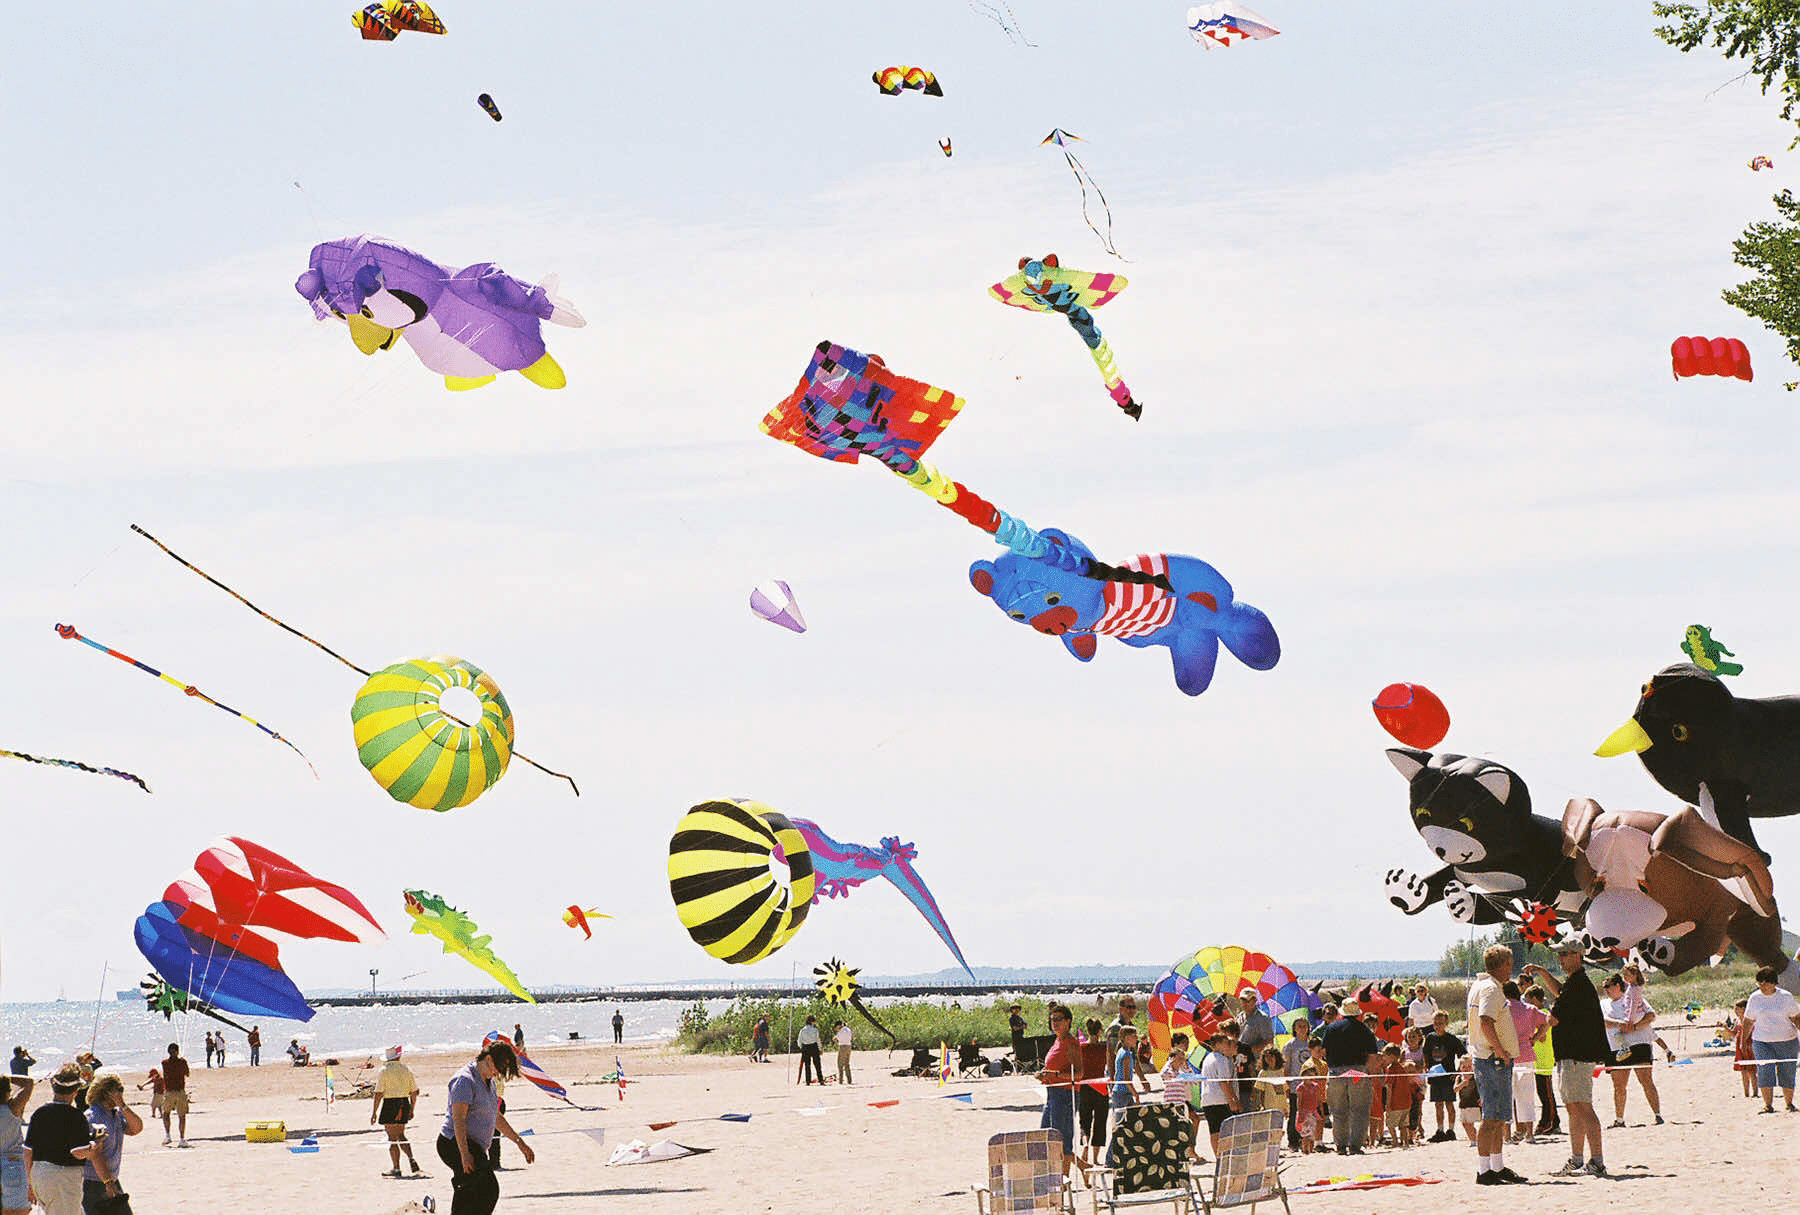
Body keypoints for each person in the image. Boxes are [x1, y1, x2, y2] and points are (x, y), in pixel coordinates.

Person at [1523, 944, 1609, 1178]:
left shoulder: (1580, 983)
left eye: (1564, 954)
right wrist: (1542, 972)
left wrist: (1536, 1036)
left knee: (1582, 1106)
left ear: (1577, 955)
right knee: (1573, 1108)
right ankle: (1578, 1159)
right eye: (1559, 955)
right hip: (1571, 1056)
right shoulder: (1574, 983)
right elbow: (1560, 993)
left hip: (1577, 1056)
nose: (1560, 959)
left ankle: (1597, 1161)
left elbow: (1554, 1018)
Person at [437, 1041, 533, 1215]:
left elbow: (495, 1116)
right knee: (487, 1188)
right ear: (488, 1059)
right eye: (498, 1067)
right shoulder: (465, 1080)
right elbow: (459, 1119)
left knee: (474, 1191)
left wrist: (519, 1142)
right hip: (453, 1143)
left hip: (474, 1145)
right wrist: (464, 1154)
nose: (497, 1072)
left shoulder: (489, 1082)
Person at [1466, 943, 1524, 1184]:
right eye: (1509, 964)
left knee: (1498, 1117)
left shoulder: (1480, 985)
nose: (1511, 968)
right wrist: (1500, 1049)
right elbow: (1486, 1021)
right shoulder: (1490, 989)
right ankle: (1484, 1170)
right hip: (1492, 1058)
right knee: (1491, 1117)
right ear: (1502, 965)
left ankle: (1497, 1167)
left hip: (1489, 1057)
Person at [24, 1065, 93, 1215]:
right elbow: (77, 1152)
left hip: (39, 1173)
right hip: (63, 1177)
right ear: (75, 1091)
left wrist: (29, 1183)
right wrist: (94, 1145)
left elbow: (28, 1151)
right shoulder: (76, 1116)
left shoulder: (39, 1113)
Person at [1601, 971, 1662, 1127]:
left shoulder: (1632, 997)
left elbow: (1651, 1016)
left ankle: (1658, 1115)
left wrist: (1634, 1027)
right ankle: (1619, 1119)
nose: (1606, 990)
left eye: (1608, 986)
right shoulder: (1603, 1004)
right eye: (1604, 987)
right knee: (1619, 1085)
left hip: (1639, 1044)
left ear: (1618, 985)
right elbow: (1602, 1022)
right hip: (1616, 1047)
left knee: (1646, 1080)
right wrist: (1619, 1024)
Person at [1321, 997, 1378, 1155]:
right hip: (1358, 1072)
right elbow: (1373, 1055)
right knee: (1360, 1110)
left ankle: (1340, 1145)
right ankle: (1355, 1145)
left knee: (1338, 1111)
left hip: (1336, 1072)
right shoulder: (1365, 1030)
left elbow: (1323, 1051)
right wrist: (1368, 1072)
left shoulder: (1331, 1029)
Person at [1741, 963, 1800, 1113]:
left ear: (1773, 983)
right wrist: (1743, 1041)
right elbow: (1748, 1021)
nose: (1762, 985)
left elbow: (1796, 1018)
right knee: (1764, 1071)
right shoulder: (1754, 998)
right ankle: (1768, 1105)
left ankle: (1789, 1103)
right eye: (1759, 982)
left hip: (1787, 1040)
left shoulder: (1785, 997)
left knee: (1787, 1071)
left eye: (1765, 982)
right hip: (1762, 1041)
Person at [1035, 1004, 1084, 1183]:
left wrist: (1053, 1075)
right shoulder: (1057, 1041)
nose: (1054, 1022)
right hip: (1052, 1094)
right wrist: (1043, 1074)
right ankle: (1081, 1167)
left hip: (1065, 1095)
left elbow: (1079, 1074)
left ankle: (1063, 1183)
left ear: (1068, 1022)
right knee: (1046, 1137)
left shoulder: (1071, 1042)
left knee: (1060, 1141)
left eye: (1058, 1019)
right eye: (1052, 1019)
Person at [81, 1075, 142, 1215]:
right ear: (106, 1093)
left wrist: (123, 1105)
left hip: (111, 1179)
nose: (122, 1092)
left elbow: (136, 1128)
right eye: (118, 1090)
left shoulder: (116, 1114)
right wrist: (108, 1182)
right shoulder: (93, 1117)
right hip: (94, 1182)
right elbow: (95, 1154)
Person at [1505, 979, 1548, 1143]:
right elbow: (1547, 1021)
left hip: (1507, 1056)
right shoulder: (1529, 1008)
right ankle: (1529, 1134)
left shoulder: (1502, 1008)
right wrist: (1535, 1038)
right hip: (1526, 1054)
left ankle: (1507, 1135)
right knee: (1526, 1096)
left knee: (1507, 1097)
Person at [373, 1046, 424, 1178]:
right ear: (398, 1057)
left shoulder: (384, 1071)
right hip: (403, 1103)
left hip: (390, 1104)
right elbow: (414, 1092)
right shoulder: (406, 1069)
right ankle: (411, 1159)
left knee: (392, 1139)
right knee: (401, 1135)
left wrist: (374, 1112)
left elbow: (378, 1093)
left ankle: (396, 1168)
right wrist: (412, 1109)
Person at [1421, 1009, 1464, 1142]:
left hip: (1448, 1076)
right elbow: (1426, 1054)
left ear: (1446, 1023)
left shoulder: (1452, 1039)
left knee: (1449, 1104)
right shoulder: (1430, 1038)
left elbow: (1463, 1055)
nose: (1438, 1025)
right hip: (1435, 1076)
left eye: (1440, 1023)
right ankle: (1440, 1130)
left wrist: (1457, 1072)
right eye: (1435, 1023)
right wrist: (1426, 1066)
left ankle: (1451, 1130)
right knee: (1438, 1104)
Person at [1197, 1031, 1241, 1157]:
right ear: (1217, 1044)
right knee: (1226, 1130)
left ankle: (1218, 1157)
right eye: (1225, 1043)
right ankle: (1226, 1156)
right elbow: (1224, 1082)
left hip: (1207, 1099)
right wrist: (1232, 1101)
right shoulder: (1221, 1059)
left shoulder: (1207, 1058)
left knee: (1214, 1131)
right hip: (1220, 1099)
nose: (1228, 1045)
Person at [1524, 985, 1560, 1134]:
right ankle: (1549, 1120)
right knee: (1542, 1093)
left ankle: (1551, 1121)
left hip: (1544, 1060)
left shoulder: (1543, 1014)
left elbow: (1543, 1036)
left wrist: (1533, 1036)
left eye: (1528, 1001)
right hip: (1537, 1061)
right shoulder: (1537, 1015)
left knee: (1546, 1094)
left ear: (1534, 999)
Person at [1076, 1018, 1110, 1169]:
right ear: (1100, 1031)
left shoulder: (1081, 1047)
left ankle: (1085, 1145)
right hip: (1100, 1085)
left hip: (1084, 1086)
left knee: (1085, 1120)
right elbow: (1109, 1066)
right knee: (1100, 1122)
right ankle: (1095, 1158)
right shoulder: (1104, 1048)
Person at [0, 1072, 33, 1215]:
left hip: (11, 1164)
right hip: (12, 1163)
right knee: (17, 1211)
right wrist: (7, 1078)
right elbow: (29, 1083)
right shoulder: (12, 1108)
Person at [1281, 1015, 1312, 1151]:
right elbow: (1286, 1067)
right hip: (1295, 1085)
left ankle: (1306, 1139)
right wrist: (1287, 1085)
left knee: (1308, 1113)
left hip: (1310, 1085)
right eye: (1299, 1026)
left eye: (1305, 1026)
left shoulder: (1311, 1043)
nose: (1302, 1028)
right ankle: (1293, 1140)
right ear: (1294, 1028)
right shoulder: (1290, 1045)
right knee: (1294, 1113)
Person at [1109, 1024, 1147, 1136]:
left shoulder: (1125, 1052)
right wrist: (1136, 1094)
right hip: (1121, 1094)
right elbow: (1126, 1079)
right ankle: (1111, 1153)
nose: (1137, 1039)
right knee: (1119, 1127)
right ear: (1126, 1038)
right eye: (1134, 1036)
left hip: (1125, 1093)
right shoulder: (1125, 1054)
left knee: (1131, 1125)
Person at [1381, 1044, 1419, 1147]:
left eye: (1385, 1055)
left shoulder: (1391, 1069)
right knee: (1404, 1124)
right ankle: (1405, 1142)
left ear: (1392, 1057)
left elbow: (1389, 1087)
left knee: (1390, 1124)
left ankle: (1395, 1140)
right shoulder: (1402, 1068)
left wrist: (1387, 1103)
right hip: (1406, 1102)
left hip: (1395, 1102)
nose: (1383, 1058)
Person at [158, 1043, 189, 1148]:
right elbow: (187, 1073)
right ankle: (181, 1138)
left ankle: (168, 1135)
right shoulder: (181, 1062)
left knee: (166, 1114)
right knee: (181, 1116)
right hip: (179, 1092)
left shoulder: (165, 1063)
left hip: (170, 1092)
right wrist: (183, 1062)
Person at [1732, 998, 1758, 1098]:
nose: (1735, 1011)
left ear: (1743, 1009)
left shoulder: (1749, 1020)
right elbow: (1733, 1033)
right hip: (1739, 1047)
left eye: (1737, 1008)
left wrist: (1746, 1043)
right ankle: (1746, 1093)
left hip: (1748, 1045)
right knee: (1743, 1071)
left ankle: (1755, 1092)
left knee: (1751, 1070)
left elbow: (1751, 1032)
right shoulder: (1738, 1021)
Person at [795, 1016, 824, 1086]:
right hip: (814, 1046)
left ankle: (808, 1081)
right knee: (817, 1065)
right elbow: (818, 1040)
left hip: (805, 1047)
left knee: (807, 1065)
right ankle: (821, 1080)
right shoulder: (815, 1030)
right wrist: (820, 1048)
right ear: (812, 1022)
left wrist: (801, 1047)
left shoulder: (802, 1030)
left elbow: (799, 1040)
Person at [833, 1021, 853, 1085]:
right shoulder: (848, 1029)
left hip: (843, 1046)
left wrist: (834, 1039)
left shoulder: (841, 1031)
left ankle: (841, 1080)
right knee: (847, 1063)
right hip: (849, 1046)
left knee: (840, 1063)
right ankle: (849, 1080)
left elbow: (836, 1038)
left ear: (838, 1026)